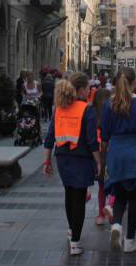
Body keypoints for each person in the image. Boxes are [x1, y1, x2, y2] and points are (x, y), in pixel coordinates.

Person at [43, 74, 102, 256]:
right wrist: (99, 161)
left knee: (69, 194)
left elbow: (50, 137)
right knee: (79, 200)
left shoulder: (59, 108)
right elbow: (92, 141)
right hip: (82, 158)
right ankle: (75, 241)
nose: (89, 90)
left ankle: (71, 230)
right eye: (88, 87)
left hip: (63, 158)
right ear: (82, 89)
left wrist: (47, 160)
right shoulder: (87, 110)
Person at [101, 67, 136, 253]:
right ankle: (130, 240)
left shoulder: (108, 104)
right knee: (135, 197)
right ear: (134, 83)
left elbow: (104, 134)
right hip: (135, 152)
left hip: (116, 152)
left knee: (119, 193)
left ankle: (116, 227)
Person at [91, 84, 113, 226]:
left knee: (101, 187)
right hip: (111, 152)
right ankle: (111, 205)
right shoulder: (111, 111)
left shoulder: (91, 113)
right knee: (113, 183)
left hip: (97, 154)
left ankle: (100, 214)